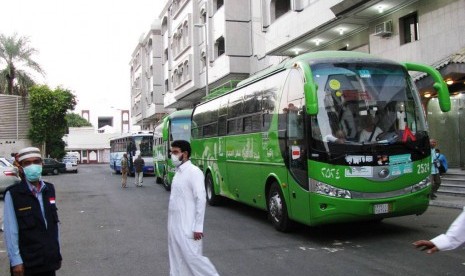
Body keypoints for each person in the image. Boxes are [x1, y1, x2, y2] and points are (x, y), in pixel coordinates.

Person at [3, 147, 62, 276]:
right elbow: (10, 231)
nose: (33, 166)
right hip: (27, 263)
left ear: (42, 164)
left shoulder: (49, 189)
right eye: (27, 163)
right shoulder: (13, 194)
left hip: (48, 260)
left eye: (36, 161)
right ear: (21, 167)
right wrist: (16, 261)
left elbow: (54, 224)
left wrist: (57, 252)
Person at [168, 140, 219, 276]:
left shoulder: (194, 172)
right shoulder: (178, 173)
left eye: (175, 152)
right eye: (171, 152)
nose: (172, 155)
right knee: (176, 260)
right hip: (174, 227)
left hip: (188, 228)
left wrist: (198, 227)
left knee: (194, 261)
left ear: (185, 154)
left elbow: (201, 199)